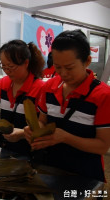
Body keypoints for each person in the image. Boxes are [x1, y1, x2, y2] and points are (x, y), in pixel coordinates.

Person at [24, 29, 110, 182]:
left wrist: (65, 137)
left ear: (87, 61)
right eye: (57, 67)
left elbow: (102, 146)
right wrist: (34, 129)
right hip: (51, 169)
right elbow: (43, 120)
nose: (63, 73)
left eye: (69, 68)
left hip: (86, 175)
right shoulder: (49, 87)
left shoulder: (103, 95)